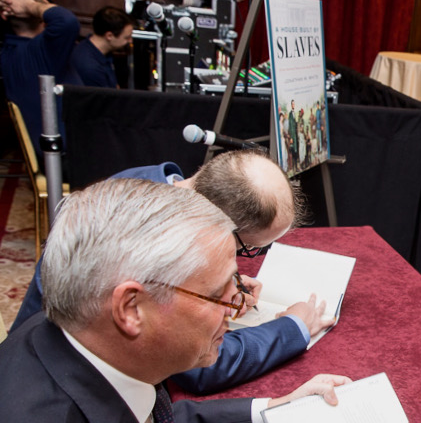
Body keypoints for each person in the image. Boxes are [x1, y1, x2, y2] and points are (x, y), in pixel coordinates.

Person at [0, 178, 411, 423]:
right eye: (217, 294)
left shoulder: (66, 333)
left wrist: (273, 410)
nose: (238, 307)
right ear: (130, 309)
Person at [12, 150, 334, 395]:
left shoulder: (153, 184)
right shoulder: (145, 231)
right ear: (218, 219)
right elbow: (199, 365)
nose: (246, 259)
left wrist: (222, 287)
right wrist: (294, 327)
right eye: (248, 248)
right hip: (53, 384)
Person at [0, 0, 81, 160]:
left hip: (51, 154)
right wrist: (30, 6)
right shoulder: (45, 50)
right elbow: (67, 21)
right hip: (74, 157)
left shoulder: (8, 53)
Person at [71, 5, 133, 88]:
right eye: (127, 38)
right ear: (109, 36)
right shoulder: (90, 67)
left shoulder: (102, 52)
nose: (130, 41)